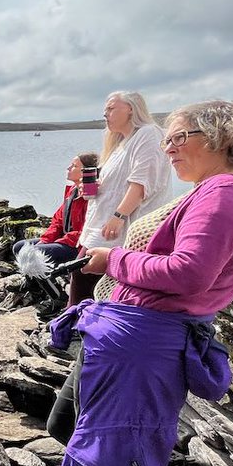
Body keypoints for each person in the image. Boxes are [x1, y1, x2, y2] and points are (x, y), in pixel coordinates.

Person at [38, 100, 233, 466]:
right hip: (129, 334)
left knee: (110, 446)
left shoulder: (225, 195)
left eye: (178, 137)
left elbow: (189, 272)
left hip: (142, 342)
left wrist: (113, 260)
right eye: (164, 138)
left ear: (217, 136)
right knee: (65, 424)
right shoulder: (224, 195)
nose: (167, 147)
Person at [69, 91, 171, 306]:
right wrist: (93, 188)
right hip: (101, 225)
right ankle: (76, 325)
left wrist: (118, 216)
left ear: (131, 109)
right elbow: (116, 185)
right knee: (84, 276)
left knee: (84, 274)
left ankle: (76, 326)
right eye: (105, 109)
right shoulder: (120, 143)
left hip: (123, 227)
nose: (105, 113)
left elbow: (142, 181)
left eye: (111, 108)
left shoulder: (148, 134)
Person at [13, 151, 98, 267]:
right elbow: (57, 221)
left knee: (33, 253)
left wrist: (58, 242)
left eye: (74, 166)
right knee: (19, 247)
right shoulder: (72, 192)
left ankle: (44, 282)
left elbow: (85, 232)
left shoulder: (91, 198)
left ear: (87, 172)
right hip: (64, 240)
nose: (68, 168)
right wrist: (45, 240)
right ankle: (39, 281)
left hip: (77, 246)